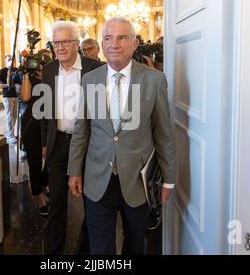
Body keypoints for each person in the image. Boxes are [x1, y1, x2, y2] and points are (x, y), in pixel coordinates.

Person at [67, 17, 177, 255]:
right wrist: (74, 170)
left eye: (122, 37)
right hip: (97, 179)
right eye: (107, 38)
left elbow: (164, 135)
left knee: (135, 244)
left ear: (135, 43)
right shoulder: (90, 79)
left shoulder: (154, 79)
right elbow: (81, 131)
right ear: (102, 44)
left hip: (137, 181)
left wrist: (169, 179)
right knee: (99, 247)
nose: (113, 44)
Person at [41, 21, 102, 255]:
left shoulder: (95, 68)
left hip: (87, 145)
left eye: (65, 42)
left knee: (91, 202)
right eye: (56, 43)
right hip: (57, 144)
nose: (60, 47)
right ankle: (53, 254)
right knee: (57, 203)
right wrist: (46, 143)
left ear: (76, 44)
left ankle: (84, 250)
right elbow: (44, 110)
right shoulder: (48, 70)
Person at [20, 52, 50, 216]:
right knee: (35, 160)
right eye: (39, 60)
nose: (40, 63)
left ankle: (44, 182)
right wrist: (25, 75)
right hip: (32, 125)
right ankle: (37, 194)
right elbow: (25, 97)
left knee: (51, 158)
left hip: (50, 124)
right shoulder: (29, 79)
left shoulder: (52, 76)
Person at [0, 55, 18, 144]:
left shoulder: (16, 70)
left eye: (11, 60)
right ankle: (10, 136)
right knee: (9, 116)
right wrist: (8, 85)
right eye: (8, 60)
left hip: (15, 96)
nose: (10, 61)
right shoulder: (2, 71)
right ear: (5, 60)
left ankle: (11, 132)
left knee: (15, 116)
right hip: (7, 96)